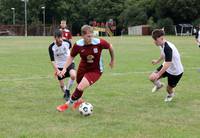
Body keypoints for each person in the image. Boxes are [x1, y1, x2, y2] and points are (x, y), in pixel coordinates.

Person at [56, 25, 115, 112]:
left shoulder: (99, 42)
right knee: (79, 85)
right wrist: (64, 68)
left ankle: (67, 104)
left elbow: (110, 46)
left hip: (95, 70)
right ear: (82, 36)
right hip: (83, 67)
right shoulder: (78, 45)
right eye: (88, 36)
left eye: (91, 35)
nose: (90, 38)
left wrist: (112, 60)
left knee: (80, 87)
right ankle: (79, 101)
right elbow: (71, 57)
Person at [149, 29, 184, 102]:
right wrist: (157, 61)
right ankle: (159, 85)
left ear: (161, 38)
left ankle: (170, 94)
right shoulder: (161, 44)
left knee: (168, 89)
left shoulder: (168, 48)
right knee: (152, 77)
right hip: (167, 67)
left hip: (175, 72)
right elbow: (163, 54)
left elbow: (168, 63)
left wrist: (158, 74)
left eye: (155, 39)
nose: (154, 41)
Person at [48, 30, 76, 101]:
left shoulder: (67, 42)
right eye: (58, 37)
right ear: (54, 38)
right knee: (62, 86)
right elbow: (53, 61)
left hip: (69, 63)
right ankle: (67, 93)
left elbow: (72, 51)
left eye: (61, 37)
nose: (60, 39)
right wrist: (57, 70)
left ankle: (67, 91)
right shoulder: (51, 47)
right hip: (59, 66)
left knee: (73, 75)